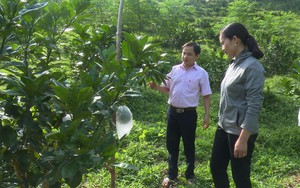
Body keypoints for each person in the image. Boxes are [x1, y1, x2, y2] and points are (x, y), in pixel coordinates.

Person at [149, 42, 212, 187]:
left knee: (189, 144)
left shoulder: (201, 73)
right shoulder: (174, 69)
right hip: (173, 113)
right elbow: (167, 89)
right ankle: (172, 174)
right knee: (172, 144)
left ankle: (190, 174)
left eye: (189, 54)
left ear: (197, 56)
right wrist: (156, 87)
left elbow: (206, 95)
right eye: (184, 53)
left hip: (188, 115)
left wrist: (207, 115)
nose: (185, 56)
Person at [210, 23, 265, 188]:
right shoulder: (233, 64)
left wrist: (243, 139)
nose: (222, 48)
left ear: (235, 40)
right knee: (216, 167)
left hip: (240, 131)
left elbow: (254, 105)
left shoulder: (253, 67)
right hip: (224, 126)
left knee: (240, 176)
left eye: (223, 42)